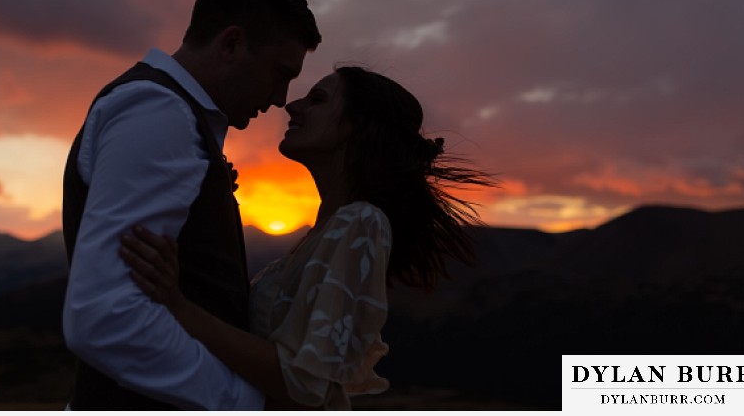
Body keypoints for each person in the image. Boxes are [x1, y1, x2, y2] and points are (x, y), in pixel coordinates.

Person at [121, 65, 497, 409]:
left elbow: (303, 381)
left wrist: (178, 307)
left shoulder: (361, 222)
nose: (293, 106)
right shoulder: (331, 227)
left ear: (355, 125)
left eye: (317, 99)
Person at [61, 0, 322, 410]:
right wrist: (244, 403)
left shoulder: (173, 117)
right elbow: (106, 318)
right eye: (281, 73)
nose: (281, 98)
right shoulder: (159, 112)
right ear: (231, 44)